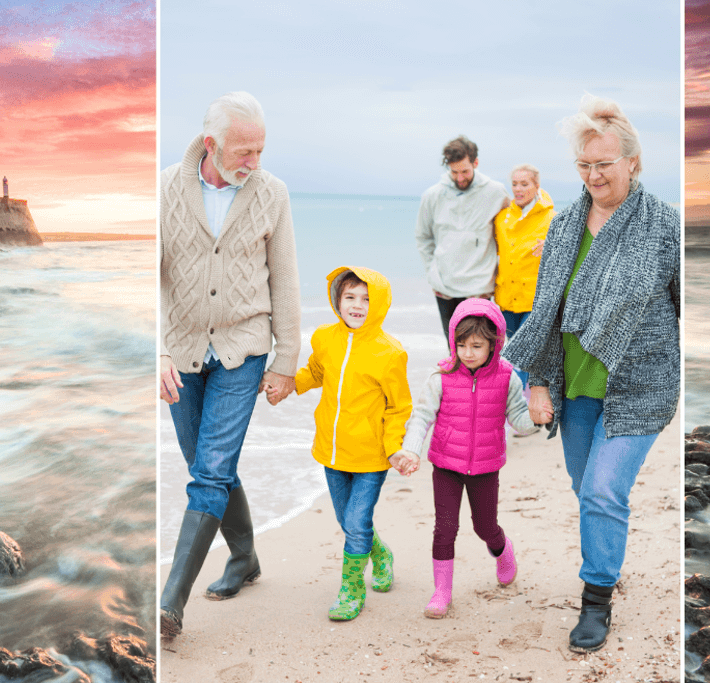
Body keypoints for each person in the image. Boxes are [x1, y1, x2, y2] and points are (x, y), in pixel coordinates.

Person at [505, 95, 679, 653]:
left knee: (604, 489)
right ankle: (608, 556)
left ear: (632, 161)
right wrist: (535, 380)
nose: (593, 174)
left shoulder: (664, 227)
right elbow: (545, 310)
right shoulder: (565, 225)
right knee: (588, 489)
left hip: (640, 385)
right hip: (574, 384)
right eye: (584, 164)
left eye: (604, 163)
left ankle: (596, 599)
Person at [157, 91, 301, 639]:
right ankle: (245, 556)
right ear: (211, 144)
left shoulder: (272, 193)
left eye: (260, 150)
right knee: (206, 465)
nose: (253, 162)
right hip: (182, 349)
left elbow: (284, 278)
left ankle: (170, 603)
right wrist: (158, 350)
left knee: (211, 470)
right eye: (244, 151)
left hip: (244, 347)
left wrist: (286, 358)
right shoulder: (167, 188)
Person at [395, 299, 533, 619]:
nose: (467, 353)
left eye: (476, 345)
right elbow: (421, 418)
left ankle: (503, 550)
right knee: (445, 529)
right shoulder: (440, 376)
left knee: (485, 527)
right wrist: (411, 450)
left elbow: (520, 422)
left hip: (485, 467)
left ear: (493, 344)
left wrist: (538, 418)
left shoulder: (508, 379)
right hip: (446, 465)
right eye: (461, 344)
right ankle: (442, 592)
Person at [291, 266, 411, 621]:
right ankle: (382, 554)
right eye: (350, 297)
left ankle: (351, 590)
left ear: (380, 305)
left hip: (372, 457)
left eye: (367, 299)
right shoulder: (325, 338)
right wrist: (286, 385)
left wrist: (393, 447)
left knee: (356, 522)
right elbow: (315, 373)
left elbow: (399, 406)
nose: (358, 305)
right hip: (332, 450)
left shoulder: (390, 353)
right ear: (337, 300)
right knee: (348, 520)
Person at [415, 136, 512, 340]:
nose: (460, 178)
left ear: (475, 163)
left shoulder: (495, 192)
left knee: (479, 349)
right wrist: (432, 272)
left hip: (479, 286)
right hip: (444, 285)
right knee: (454, 351)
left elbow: (512, 230)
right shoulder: (432, 195)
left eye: (465, 171)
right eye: (454, 172)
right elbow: (423, 237)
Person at [494, 164, 555, 389]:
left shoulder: (552, 219)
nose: (518, 189)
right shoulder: (502, 218)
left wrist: (552, 246)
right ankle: (521, 400)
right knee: (512, 352)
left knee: (524, 352)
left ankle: (521, 402)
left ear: (536, 186)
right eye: (515, 184)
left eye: (524, 184)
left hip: (534, 300)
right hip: (506, 297)